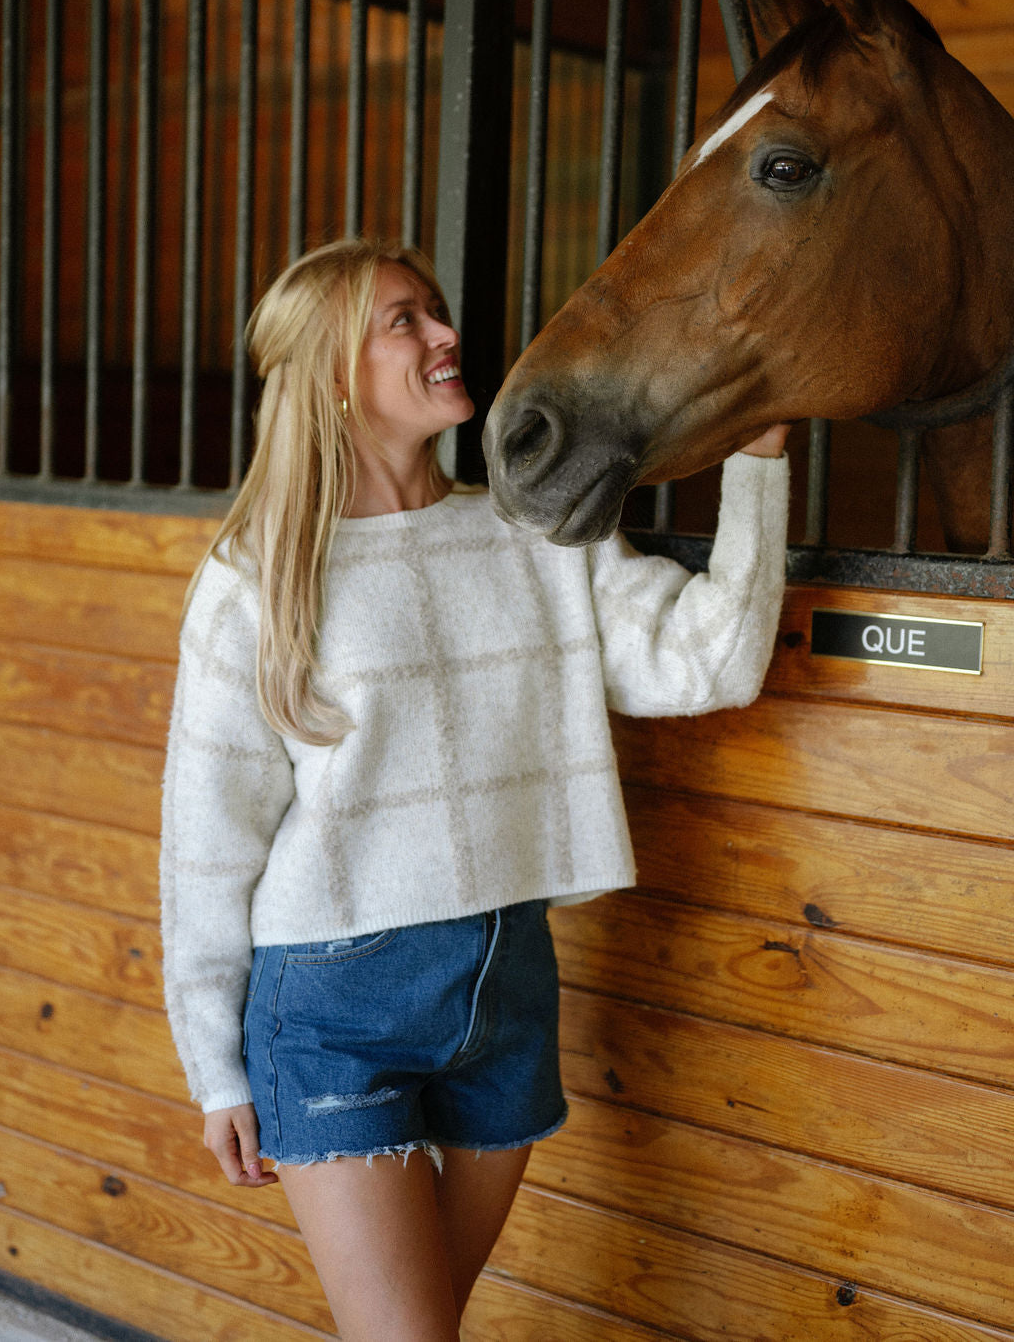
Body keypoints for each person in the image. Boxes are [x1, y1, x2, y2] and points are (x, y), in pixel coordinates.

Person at [160, 236, 790, 1342]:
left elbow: (709, 662)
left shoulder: (531, 533)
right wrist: (215, 1067)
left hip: (506, 984)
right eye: (403, 320)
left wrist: (759, 465)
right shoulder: (257, 579)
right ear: (328, 373)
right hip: (332, 1003)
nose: (446, 334)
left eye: (434, 310)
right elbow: (207, 843)